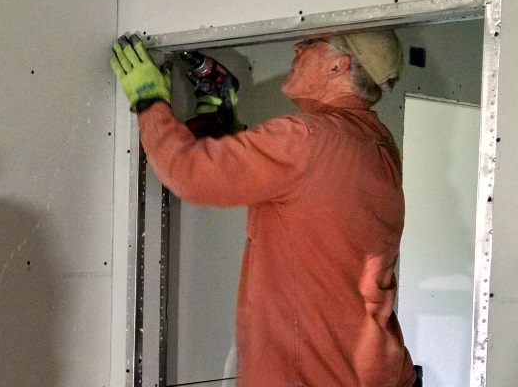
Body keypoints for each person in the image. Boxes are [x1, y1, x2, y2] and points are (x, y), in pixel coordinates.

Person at [111, 30, 417, 387]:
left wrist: (150, 101)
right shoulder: (378, 144)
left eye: (311, 43)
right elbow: (290, 187)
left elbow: (188, 173)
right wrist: (220, 126)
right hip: (380, 374)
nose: (297, 46)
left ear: (339, 65)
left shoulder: (307, 139)